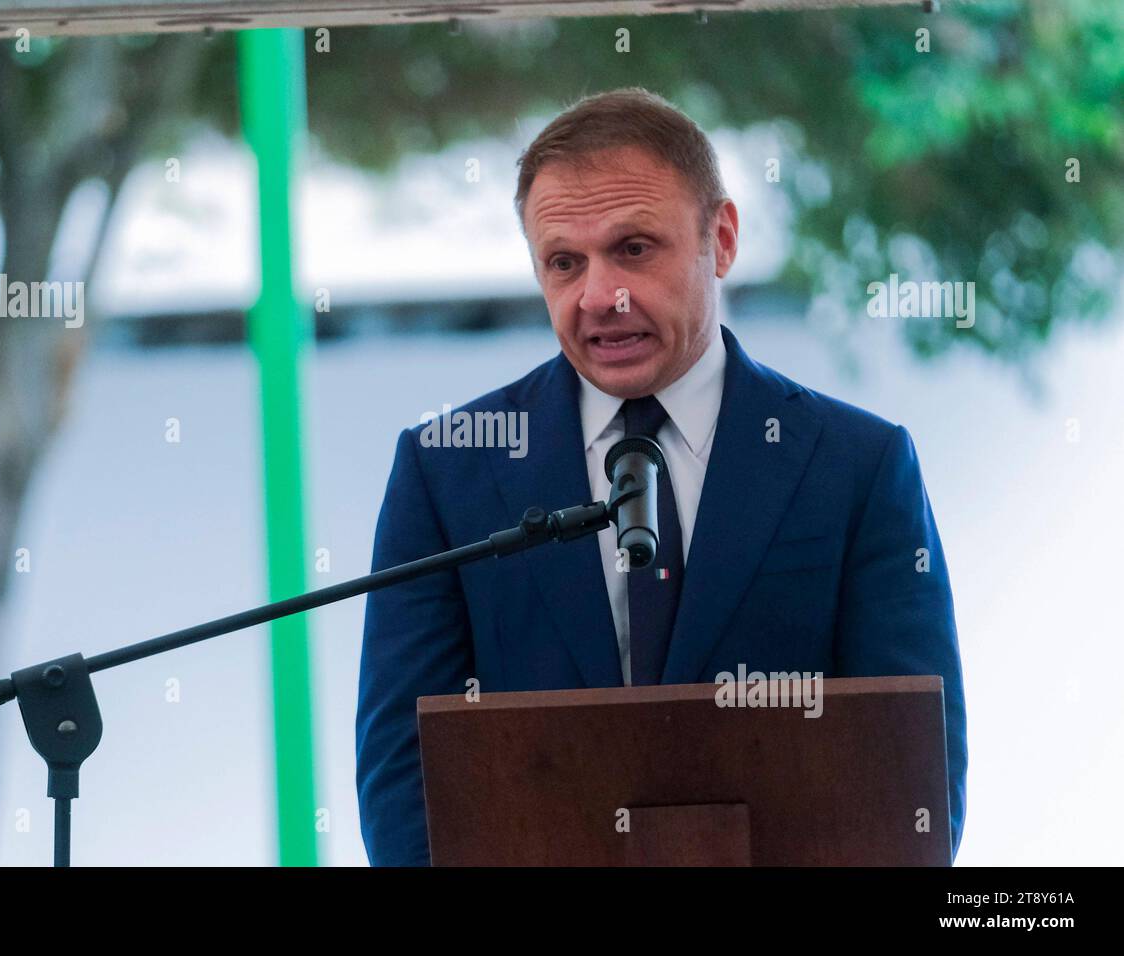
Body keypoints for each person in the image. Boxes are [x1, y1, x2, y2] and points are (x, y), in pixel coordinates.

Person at [355, 86, 966, 866]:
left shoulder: (857, 466)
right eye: (564, 263)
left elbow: (917, 780)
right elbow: (402, 785)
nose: (599, 297)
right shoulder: (448, 473)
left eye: (634, 249)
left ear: (722, 238)